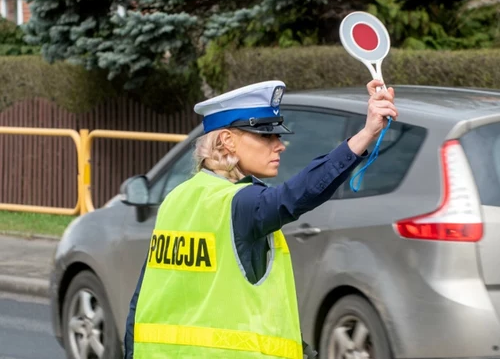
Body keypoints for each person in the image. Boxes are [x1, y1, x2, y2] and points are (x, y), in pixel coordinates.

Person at [123, 79, 398, 358]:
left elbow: (143, 298)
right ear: (227, 141)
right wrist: (366, 134)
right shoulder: (239, 203)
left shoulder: (175, 199)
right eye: (266, 136)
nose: (280, 145)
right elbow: (295, 195)